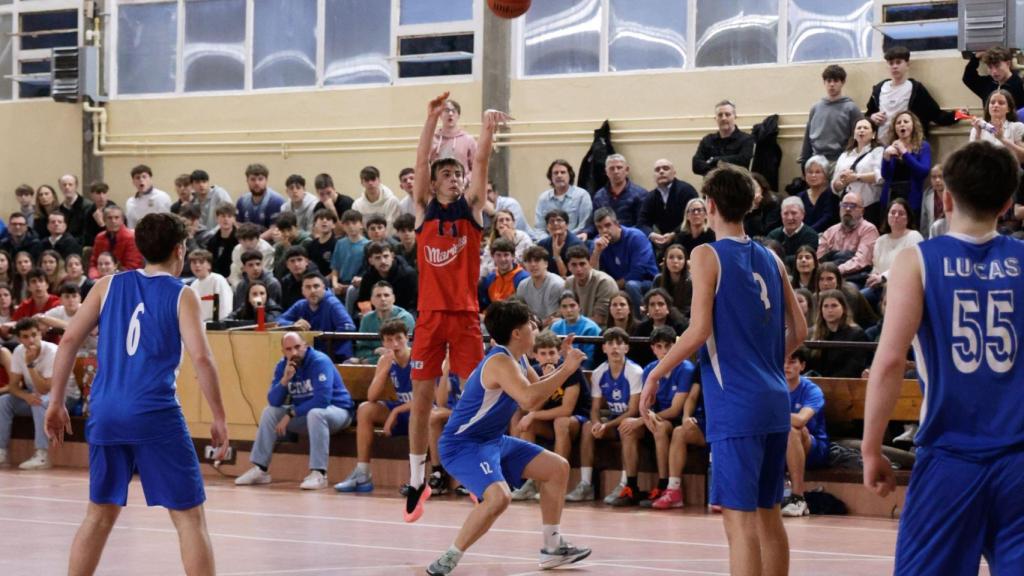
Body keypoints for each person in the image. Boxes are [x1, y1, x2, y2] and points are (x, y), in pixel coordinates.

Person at [863, 141, 1024, 575]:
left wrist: (870, 446)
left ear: (946, 198)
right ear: (1008, 203)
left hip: (950, 456)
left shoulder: (917, 260)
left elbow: (891, 359)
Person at [640, 166, 806, 576]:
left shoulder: (705, 254)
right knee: (769, 513)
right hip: (773, 400)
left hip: (737, 403)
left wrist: (656, 373)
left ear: (709, 205)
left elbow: (698, 331)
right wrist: (765, 359)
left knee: (739, 519)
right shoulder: (771, 256)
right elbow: (800, 330)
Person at [44, 212, 230, 576]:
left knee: (99, 514)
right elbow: (203, 360)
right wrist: (220, 417)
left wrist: (54, 402)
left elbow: (67, 340)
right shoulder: (182, 294)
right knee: (189, 518)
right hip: (153, 412)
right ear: (180, 249)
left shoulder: (106, 286)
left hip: (106, 410)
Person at [426, 299, 590, 575]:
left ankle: (552, 548)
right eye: (530, 324)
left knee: (557, 468)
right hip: (462, 445)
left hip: (491, 441)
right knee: (499, 498)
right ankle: (449, 557)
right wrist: (567, 369)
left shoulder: (518, 358)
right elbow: (528, 399)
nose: (535, 328)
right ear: (516, 332)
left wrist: (559, 362)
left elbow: (535, 391)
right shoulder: (500, 361)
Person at [405, 92, 505, 522]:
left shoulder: (473, 213)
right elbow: (420, 163)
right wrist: (430, 120)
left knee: (479, 398)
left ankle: (479, 474)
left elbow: (479, 166)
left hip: (464, 317)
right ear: (434, 181)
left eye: (456, 175)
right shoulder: (422, 211)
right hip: (428, 318)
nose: (453, 179)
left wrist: (486, 131)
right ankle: (416, 479)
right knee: (421, 401)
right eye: (446, 174)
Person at [235, 332, 353, 490]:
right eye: (289, 349)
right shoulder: (282, 366)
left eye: (298, 347)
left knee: (316, 413)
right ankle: (260, 469)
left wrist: (291, 413)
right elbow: (274, 401)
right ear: (283, 352)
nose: (294, 353)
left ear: (306, 345)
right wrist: (285, 380)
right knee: (270, 412)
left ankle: (319, 473)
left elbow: (322, 400)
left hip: (338, 412)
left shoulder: (319, 361)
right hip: (307, 415)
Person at [509, 330, 590, 501]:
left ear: (558, 353)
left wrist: (533, 415)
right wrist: (546, 382)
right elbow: (531, 404)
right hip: (549, 422)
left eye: (552, 353)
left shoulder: (570, 371)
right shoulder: (536, 372)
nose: (548, 358)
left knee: (560, 422)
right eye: (543, 354)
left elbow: (566, 410)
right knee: (524, 423)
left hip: (576, 421)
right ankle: (530, 481)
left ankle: (557, 482)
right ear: (536, 356)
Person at [565, 327, 642, 503]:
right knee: (587, 428)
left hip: (635, 422)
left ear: (626, 348)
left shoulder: (634, 372)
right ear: (604, 348)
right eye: (610, 343)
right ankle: (585, 485)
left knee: (627, 426)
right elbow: (594, 409)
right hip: (613, 421)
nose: (614, 347)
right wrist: (596, 424)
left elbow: (633, 410)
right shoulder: (599, 372)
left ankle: (625, 485)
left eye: (619, 343)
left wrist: (606, 425)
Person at [336, 320, 415, 493]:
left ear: (407, 338)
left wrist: (395, 412)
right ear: (383, 343)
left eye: (399, 338)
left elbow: (425, 400)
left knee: (417, 418)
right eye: (389, 340)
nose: (395, 344)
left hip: (421, 411)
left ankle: (416, 479)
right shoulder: (385, 360)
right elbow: (372, 396)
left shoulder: (417, 358)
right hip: (402, 409)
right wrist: (383, 371)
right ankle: (363, 474)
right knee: (365, 408)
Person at [621, 326, 694, 507]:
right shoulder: (649, 370)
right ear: (653, 349)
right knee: (627, 427)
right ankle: (630, 486)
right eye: (658, 347)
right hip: (653, 417)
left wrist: (641, 420)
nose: (663, 351)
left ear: (675, 346)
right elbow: (644, 405)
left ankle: (663, 485)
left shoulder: (686, 369)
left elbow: (675, 410)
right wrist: (642, 418)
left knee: (659, 427)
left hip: (673, 420)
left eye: (667, 346)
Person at [0, 318, 64, 470]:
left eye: (34, 335)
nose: (30, 340)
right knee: (4, 401)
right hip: (36, 395)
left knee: (38, 400)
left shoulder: (52, 352)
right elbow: (14, 386)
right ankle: (1, 450)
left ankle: (42, 454)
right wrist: (25, 396)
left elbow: (44, 389)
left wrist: (30, 365)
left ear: (40, 334)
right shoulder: (18, 351)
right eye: (25, 337)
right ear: (19, 338)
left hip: (63, 397)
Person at [865, 45, 960, 143]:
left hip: (908, 146)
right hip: (881, 144)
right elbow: (868, 115)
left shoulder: (916, 89)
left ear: (907, 64)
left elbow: (936, 115)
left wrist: (959, 115)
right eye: (891, 63)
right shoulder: (879, 89)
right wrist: (872, 118)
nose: (894, 66)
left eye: (898, 62)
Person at [781, 348, 829, 518]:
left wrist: (770, 414)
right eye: (783, 361)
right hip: (779, 443)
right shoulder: (773, 388)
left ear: (802, 366)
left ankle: (798, 497)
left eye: (792, 362)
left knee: (792, 430)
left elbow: (801, 420)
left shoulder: (811, 390)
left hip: (814, 447)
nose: (786, 366)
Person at [591, 207, 658, 316]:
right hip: (617, 285)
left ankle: (640, 323)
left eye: (607, 225)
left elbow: (637, 273)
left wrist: (612, 286)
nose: (604, 231)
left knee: (631, 285)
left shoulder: (636, 237)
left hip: (646, 282)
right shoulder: (598, 243)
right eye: (599, 227)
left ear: (617, 224)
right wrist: (597, 252)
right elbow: (593, 275)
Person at [278, 272, 356, 362]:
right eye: (308, 287)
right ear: (302, 291)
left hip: (336, 357)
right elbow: (279, 321)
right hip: (310, 355)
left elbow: (348, 327)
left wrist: (321, 340)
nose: (312, 291)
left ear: (323, 288)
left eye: (316, 286)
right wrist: (293, 324)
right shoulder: (300, 305)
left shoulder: (332, 304)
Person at [862, 198, 924, 308]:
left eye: (901, 213)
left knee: (862, 298)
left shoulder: (914, 236)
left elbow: (908, 268)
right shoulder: (881, 240)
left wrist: (883, 277)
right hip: (880, 286)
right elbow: (876, 266)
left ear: (908, 218)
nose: (896, 216)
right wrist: (874, 276)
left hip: (903, 288)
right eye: (893, 213)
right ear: (887, 216)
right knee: (854, 297)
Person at [799, 65, 863, 164]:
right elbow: (808, 136)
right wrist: (804, 159)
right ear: (824, 82)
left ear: (842, 82)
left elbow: (858, 138)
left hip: (840, 160)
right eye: (829, 81)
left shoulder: (851, 108)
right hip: (816, 159)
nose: (832, 84)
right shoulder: (816, 108)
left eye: (836, 81)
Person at [816, 192, 879, 286]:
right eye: (844, 205)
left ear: (862, 211)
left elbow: (861, 260)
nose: (848, 209)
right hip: (829, 277)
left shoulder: (869, 230)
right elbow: (819, 258)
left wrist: (835, 271)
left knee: (847, 290)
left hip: (854, 278)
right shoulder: (830, 231)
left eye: (853, 206)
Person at [831, 118, 885, 226]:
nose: (861, 130)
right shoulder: (845, 155)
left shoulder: (878, 151)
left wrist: (856, 177)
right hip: (847, 208)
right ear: (854, 134)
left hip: (868, 206)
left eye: (865, 128)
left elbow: (880, 177)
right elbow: (834, 186)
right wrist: (842, 181)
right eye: (858, 128)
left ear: (873, 134)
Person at [881, 111, 932, 224]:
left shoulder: (923, 146)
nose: (902, 124)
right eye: (898, 123)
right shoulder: (890, 146)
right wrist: (886, 158)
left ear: (913, 125)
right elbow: (885, 175)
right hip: (891, 197)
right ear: (895, 128)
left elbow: (923, 172)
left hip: (911, 198)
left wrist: (905, 153)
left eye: (906, 121)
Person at [638, 159, 697, 253]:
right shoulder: (651, 196)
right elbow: (642, 223)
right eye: (657, 170)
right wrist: (651, 234)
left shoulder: (687, 190)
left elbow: (694, 218)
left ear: (674, 173)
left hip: (688, 241)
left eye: (666, 168)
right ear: (654, 176)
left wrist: (674, 234)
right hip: (663, 243)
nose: (661, 171)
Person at [352, 281, 415, 364]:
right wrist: (375, 351)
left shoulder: (405, 318)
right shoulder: (366, 319)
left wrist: (369, 360)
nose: (383, 299)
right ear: (372, 300)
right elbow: (360, 350)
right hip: (373, 361)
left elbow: (405, 350)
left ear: (393, 298)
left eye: (386, 295)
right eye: (378, 296)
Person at [809, 289, 869, 377]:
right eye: (825, 306)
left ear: (843, 308)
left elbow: (854, 367)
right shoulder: (812, 333)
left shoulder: (856, 334)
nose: (829, 310)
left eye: (834, 306)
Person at [585, 154, 647, 237]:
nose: (616, 171)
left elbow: (642, 225)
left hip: (631, 238)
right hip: (605, 238)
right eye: (612, 168)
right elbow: (594, 223)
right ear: (606, 172)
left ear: (627, 170)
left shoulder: (640, 194)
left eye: (619, 167)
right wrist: (585, 233)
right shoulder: (599, 196)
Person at [692, 100, 755, 176]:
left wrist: (715, 160)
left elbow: (744, 161)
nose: (723, 118)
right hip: (712, 186)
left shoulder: (747, 139)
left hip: (737, 185)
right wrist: (724, 165)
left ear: (735, 116)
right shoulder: (707, 140)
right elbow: (696, 165)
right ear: (715, 118)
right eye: (720, 115)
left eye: (727, 114)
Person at [532, 160, 592, 240]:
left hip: (573, 242)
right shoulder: (543, 198)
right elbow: (539, 228)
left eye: (563, 172)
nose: (559, 175)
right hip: (548, 242)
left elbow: (583, 226)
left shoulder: (582, 195)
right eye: (555, 173)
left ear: (570, 175)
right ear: (551, 177)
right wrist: (549, 241)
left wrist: (564, 239)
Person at [355, 241, 418, 314]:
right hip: (376, 317)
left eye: (386, 256)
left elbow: (413, 305)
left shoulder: (408, 275)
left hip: (402, 316)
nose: (383, 261)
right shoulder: (368, 277)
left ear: (392, 256)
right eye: (377, 258)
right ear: (371, 261)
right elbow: (363, 301)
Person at [429, 98, 478, 183]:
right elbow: (425, 164)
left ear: (458, 115)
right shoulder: (432, 139)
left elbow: (477, 167)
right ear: (440, 115)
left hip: (461, 188)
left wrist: (465, 180)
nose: (450, 114)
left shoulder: (468, 140)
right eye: (447, 110)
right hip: (438, 188)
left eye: (453, 111)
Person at [967, 89, 1024, 162]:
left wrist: (1002, 139)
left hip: (1009, 171)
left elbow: (1022, 158)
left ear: (1008, 109)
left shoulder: (1017, 127)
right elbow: (970, 159)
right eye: (992, 102)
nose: (996, 105)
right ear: (988, 107)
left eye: (1001, 103)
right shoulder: (977, 128)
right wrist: (978, 134)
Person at [88, 206, 144, 279]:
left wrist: (110, 278)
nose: (113, 221)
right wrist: (95, 277)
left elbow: (132, 267)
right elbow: (93, 264)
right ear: (104, 220)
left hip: (125, 279)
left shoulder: (131, 238)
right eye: (109, 218)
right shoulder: (99, 238)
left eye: (116, 218)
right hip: (100, 278)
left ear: (122, 220)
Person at [550, 292, 601, 370]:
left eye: (572, 305)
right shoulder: (555, 327)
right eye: (564, 306)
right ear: (560, 309)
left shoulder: (591, 328)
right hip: (559, 370)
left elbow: (590, 360)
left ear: (579, 307)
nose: (568, 310)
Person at [515, 245, 564, 326]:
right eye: (529, 261)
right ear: (524, 265)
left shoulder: (557, 284)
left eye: (537, 260)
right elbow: (521, 313)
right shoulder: (522, 286)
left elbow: (554, 318)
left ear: (546, 263)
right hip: (533, 327)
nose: (533, 264)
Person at [536, 209, 585, 278]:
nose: (555, 223)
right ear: (547, 227)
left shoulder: (576, 245)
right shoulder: (542, 244)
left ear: (567, 224)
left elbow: (567, 276)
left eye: (559, 220)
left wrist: (557, 256)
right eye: (551, 221)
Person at [352, 166, 402, 233]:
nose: (370, 183)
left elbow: (392, 228)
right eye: (366, 180)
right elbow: (358, 229)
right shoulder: (357, 205)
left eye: (373, 179)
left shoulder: (392, 201)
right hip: (366, 241)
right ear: (362, 183)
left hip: (389, 241)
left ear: (379, 180)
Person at [187, 250, 233, 322]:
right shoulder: (193, 285)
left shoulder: (218, 280)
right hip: (201, 325)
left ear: (209, 265)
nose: (197, 265)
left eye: (201, 262)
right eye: (194, 263)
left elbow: (226, 305)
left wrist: (220, 323)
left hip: (216, 325)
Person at [236, 163, 285, 228]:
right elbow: (238, 224)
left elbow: (274, 229)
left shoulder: (276, 201)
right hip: (247, 237)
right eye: (253, 179)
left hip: (269, 238)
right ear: (247, 181)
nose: (257, 183)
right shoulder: (241, 201)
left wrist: (256, 238)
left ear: (266, 180)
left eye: (260, 179)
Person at [800, 155, 840, 233]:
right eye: (810, 172)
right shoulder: (800, 197)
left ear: (826, 175)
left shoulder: (832, 195)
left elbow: (828, 219)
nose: (813, 175)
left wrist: (807, 233)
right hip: (802, 238)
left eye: (818, 172)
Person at [57, 174, 96, 246]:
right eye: (64, 185)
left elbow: (88, 233)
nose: (67, 187)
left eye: (70, 184)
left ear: (76, 186)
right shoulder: (60, 209)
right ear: (60, 187)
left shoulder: (87, 206)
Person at [203, 203, 239, 279]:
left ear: (234, 219)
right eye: (223, 216)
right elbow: (210, 262)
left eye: (229, 216)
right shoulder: (212, 240)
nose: (226, 219)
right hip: (215, 278)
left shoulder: (239, 240)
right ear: (217, 218)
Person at [744, 173, 782, 239]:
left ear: (762, 188)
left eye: (754, 187)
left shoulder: (773, 203)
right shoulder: (743, 203)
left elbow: (766, 229)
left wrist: (753, 207)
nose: (751, 191)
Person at [303, 209, 338, 277]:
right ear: (315, 224)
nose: (324, 221)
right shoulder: (311, 245)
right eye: (321, 219)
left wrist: (324, 280)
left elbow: (338, 268)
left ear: (334, 225)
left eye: (328, 219)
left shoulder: (337, 244)